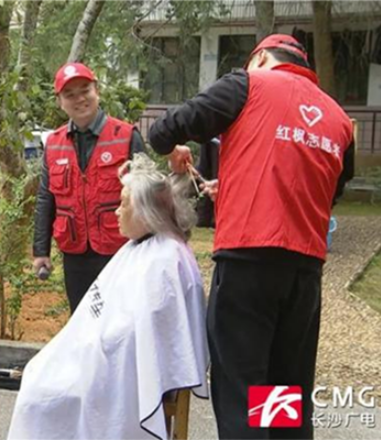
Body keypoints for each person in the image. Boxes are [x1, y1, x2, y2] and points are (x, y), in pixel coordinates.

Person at [149, 34, 354, 439]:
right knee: (283, 392)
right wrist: (238, 184)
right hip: (304, 274)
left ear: (259, 57)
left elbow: (163, 130)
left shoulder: (246, 84)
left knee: (242, 390)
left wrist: (172, 146)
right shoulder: (338, 118)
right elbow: (330, 188)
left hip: (248, 264)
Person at [8, 153, 209, 440]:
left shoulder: (164, 260)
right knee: (36, 375)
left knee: (39, 401)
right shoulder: (150, 247)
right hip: (95, 352)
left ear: (146, 211)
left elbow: (136, 334)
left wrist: (95, 346)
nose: (116, 211)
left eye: (123, 203)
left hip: (112, 362)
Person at [33, 62, 146, 314]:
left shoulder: (127, 136)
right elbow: (45, 199)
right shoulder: (53, 143)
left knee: (121, 320)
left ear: (97, 90)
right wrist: (40, 251)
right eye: (69, 95)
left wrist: (148, 247)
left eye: (85, 90)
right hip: (75, 253)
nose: (79, 99)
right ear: (60, 101)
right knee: (83, 321)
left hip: (120, 250)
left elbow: (147, 197)